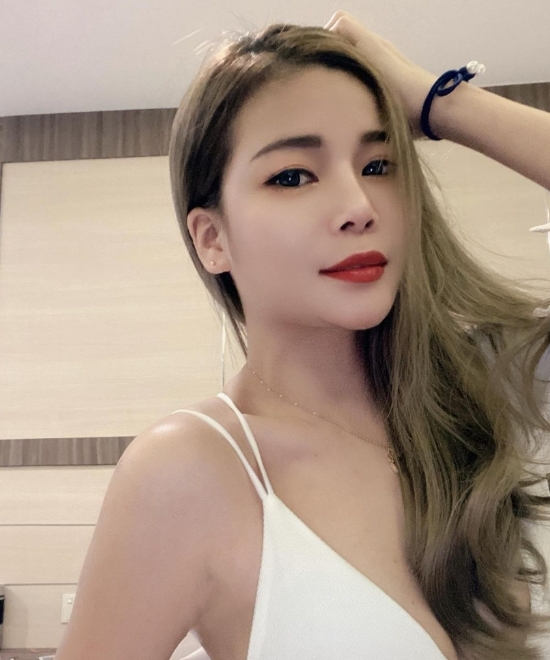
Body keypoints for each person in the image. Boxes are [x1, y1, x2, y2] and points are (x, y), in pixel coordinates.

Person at [54, 10, 550, 660]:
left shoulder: (490, 395)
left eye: (379, 164)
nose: (359, 207)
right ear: (213, 238)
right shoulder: (191, 471)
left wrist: (442, 103)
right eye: (292, 176)